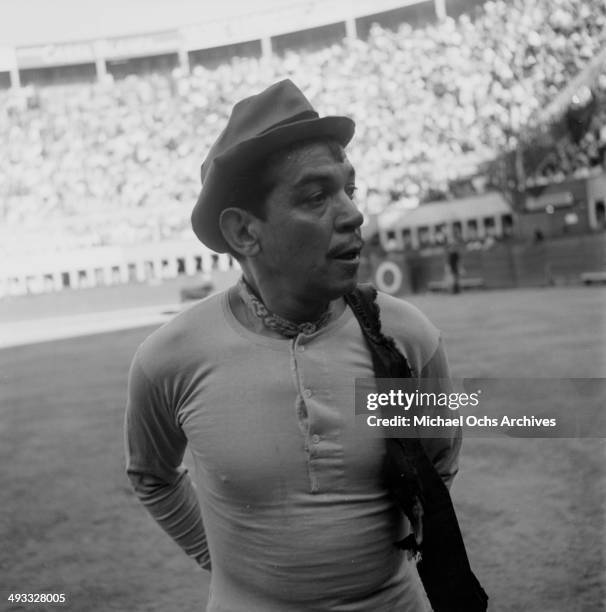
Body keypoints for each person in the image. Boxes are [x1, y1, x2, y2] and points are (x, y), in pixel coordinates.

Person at [125, 79, 461, 611]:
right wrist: (227, 565)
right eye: (316, 196)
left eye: (350, 188)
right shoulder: (169, 358)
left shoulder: (408, 337)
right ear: (244, 233)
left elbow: (440, 458)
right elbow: (152, 475)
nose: (353, 213)